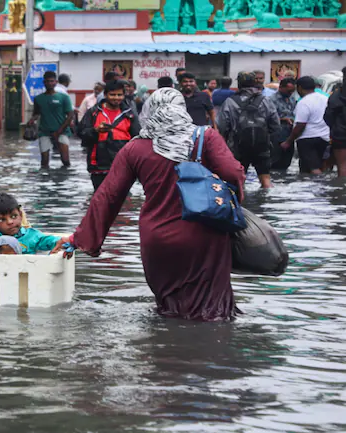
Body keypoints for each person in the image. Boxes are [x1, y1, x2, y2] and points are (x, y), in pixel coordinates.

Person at [53, 88, 245, 321]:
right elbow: (233, 173)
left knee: (169, 308)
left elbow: (108, 197)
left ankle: (166, 342)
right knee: (213, 312)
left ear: (149, 111)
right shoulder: (206, 137)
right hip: (204, 235)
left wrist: (79, 239)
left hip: (158, 239)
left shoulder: (134, 148)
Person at [218, 72, 280, 188]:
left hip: (238, 145)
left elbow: (222, 126)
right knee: (265, 179)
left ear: (239, 84)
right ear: (255, 82)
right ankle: (267, 197)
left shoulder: (230, 101)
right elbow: (275, 124)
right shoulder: (265, 100)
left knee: (239, 180)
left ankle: (242, 198)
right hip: (261, 144)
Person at [78, 80, 141, 190]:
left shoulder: (130, 114)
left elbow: (137, 139)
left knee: (121, 196)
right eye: (112, 95)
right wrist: (96, 130)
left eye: (119, 95)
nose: (116, 98)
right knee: (100, 196)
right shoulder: (93, 112)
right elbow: (81, 133)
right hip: (98, 165)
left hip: (123, 164)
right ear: (105, 95)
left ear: (124, 95)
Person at [279, 76, 330, 175]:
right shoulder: (325, 99)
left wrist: (288, 141)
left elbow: (300, 125)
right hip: (324, 138)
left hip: (307, 139)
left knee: (312, 168)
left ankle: (320, 183)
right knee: (315, 167)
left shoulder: (303, 102)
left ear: (299, 88)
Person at [28, 71, 76, 168]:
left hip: (62, 132)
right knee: (44, 162)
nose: (50, 83)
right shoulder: (38, 99)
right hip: (44, 132)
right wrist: (32, 120)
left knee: (65, 161)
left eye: (52, 81)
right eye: (47, 81)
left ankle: (64, 176)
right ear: (44, 82)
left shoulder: (64, 97)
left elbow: (70, 115)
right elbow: (36, 113)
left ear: (56, 82)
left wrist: (59, 131)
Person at [268, 78, 297, 170]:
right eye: (289, 91)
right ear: (281, 87)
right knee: (275, 162)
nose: (290, 93)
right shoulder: (271, 100)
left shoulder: (292, 99)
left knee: (287, 162)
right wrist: (282, 119)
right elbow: (267, 117)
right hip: (276, 135)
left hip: (289, 135)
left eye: (292, 91)